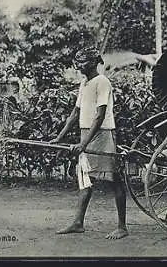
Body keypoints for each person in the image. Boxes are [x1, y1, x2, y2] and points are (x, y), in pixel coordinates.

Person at [50, 46, 128, 240]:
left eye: (82, 62)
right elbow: (75, 113)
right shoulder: (84, 82)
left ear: (93, 62)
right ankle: (78, 223)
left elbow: (100, 116)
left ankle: (122, 226)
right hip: (87, 133)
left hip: (102, 134)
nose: (78, 66)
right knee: (84, 178)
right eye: (77, 62)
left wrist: (84, 143)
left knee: (114, 178)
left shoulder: (102, 82)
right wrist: (59, 137)